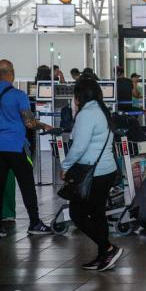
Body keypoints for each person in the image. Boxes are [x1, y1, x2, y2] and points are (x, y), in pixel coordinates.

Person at [0, 60, 53, 237]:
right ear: (12, 73)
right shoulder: (18, 95)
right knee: (27, 185)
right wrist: (43, 125)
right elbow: (29, 123)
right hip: (15, 147)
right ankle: (34, 222)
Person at [61, 77, 123, 272]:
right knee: (97, 213)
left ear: (79, 96)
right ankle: (104, 253)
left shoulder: (86, 114)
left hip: (92, 172)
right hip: (106, 170)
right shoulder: (102, 111)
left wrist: (65, 166)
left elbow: (79, 147)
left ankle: (107, 249)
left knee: (77, 213)